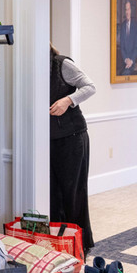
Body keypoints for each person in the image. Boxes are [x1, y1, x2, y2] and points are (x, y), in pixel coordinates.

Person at [49, 43, 96, 256]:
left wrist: (69, 100)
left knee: (73, 194)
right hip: (48, 139)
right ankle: (59, 245)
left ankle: (79, 246)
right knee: (53, 195)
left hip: (73, 137)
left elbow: (89, 86)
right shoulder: (31, 69)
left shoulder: (62, 64)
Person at [116, 0, 137, 77]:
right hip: (124, 61)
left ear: (131, 10)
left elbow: (136, 47)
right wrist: (126, 59)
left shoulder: (136, 26)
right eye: (126, 10)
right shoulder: (122, 26)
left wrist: (131, 61)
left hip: (133, 61)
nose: (127, 12)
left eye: (128, 9)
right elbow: (122, 46)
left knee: (126, 73)